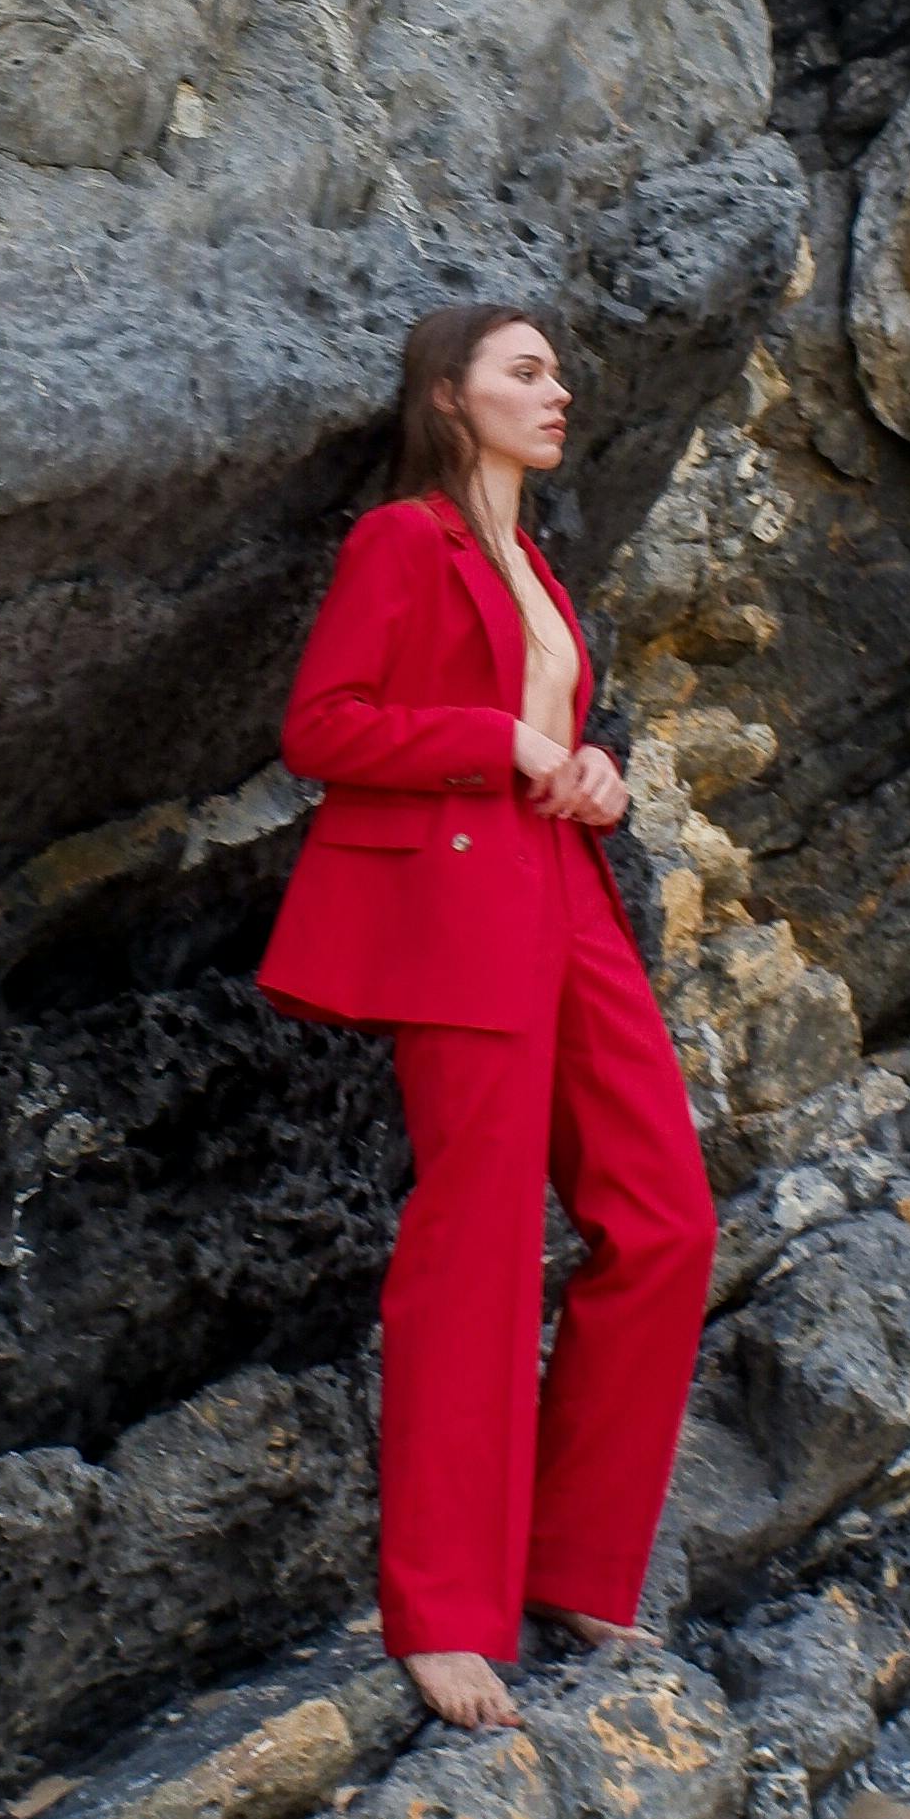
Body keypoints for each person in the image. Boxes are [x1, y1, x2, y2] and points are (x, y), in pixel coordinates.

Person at [258, 302, 720, 1735]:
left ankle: (574, 1563)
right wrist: (498, 743)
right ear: (450, 398)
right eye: (526, 372)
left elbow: (548, 742)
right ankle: (447, 1611)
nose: (557, 391)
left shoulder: (538, 570)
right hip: (460, 908)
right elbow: (322, 726)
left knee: (666, 1216)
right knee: (478, 1247)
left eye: (558, 372)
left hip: (565, 888)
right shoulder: (405, 541)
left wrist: (592, 774)